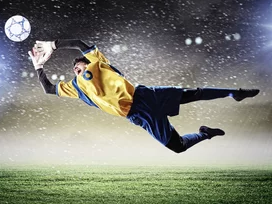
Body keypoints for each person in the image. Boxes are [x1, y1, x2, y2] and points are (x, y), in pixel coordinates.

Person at [28, 39, 260, 153]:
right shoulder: (77, 88)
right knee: (177, 147)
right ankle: (204, 133)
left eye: (80, 64)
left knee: (193, 94)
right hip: (137, 115)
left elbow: (80, 44)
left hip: (145, 97)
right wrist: (38, 67)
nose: (77, 68)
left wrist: (53, 44)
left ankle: (235, 93)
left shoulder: (98, 63)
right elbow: (48, 89)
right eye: (75, 68)